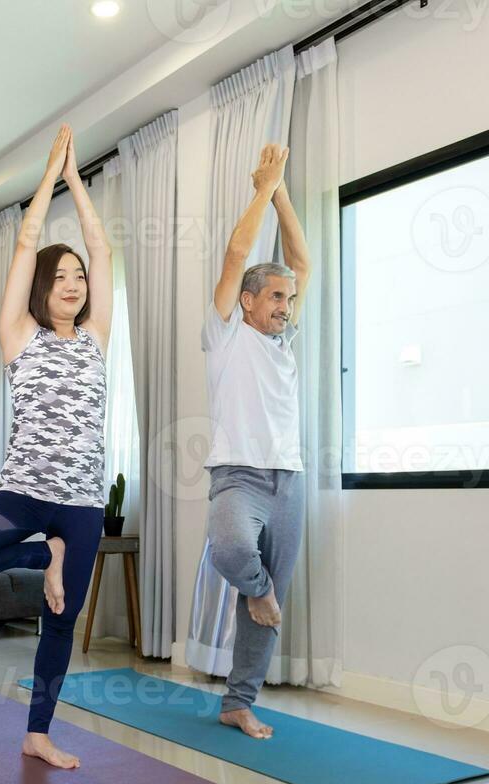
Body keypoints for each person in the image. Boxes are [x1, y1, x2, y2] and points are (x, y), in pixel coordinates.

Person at [0, 125, 112, 770]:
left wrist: (79, 186)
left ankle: (37, 733)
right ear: (41, 287)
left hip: (83, 501)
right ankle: (48, 554)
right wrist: (47, 182)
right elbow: (24, 244)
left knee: (60, 623)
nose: (73, 284)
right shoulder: (20, 336)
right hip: (24, 492)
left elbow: (102, 248)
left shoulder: (95, 338)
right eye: (61, 277)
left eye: (79, 278)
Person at [204, 143, 311, 740]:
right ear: (247, 301)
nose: (285, 308)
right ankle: (260, 593)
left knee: (267, 601)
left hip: (288, 481)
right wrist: (261, 191)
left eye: (289, 300)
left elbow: (299, 258)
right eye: (276, 297)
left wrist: (283, 190)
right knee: (231, 552)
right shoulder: (224, 335)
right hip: (238, 477)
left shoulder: (285, 344)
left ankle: (238, 702)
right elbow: (238, 252)